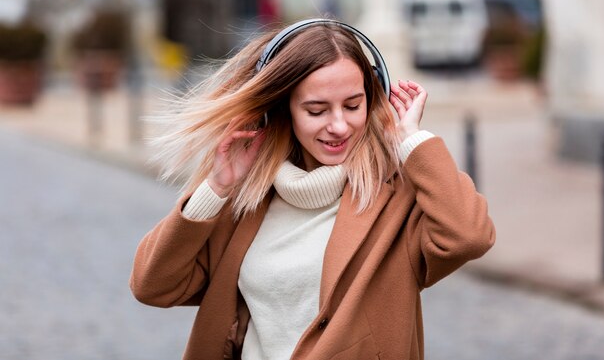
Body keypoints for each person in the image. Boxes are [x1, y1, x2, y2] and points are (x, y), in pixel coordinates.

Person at [130, 19, 495, 360]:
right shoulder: (247, 201)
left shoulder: (399, 198)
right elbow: (153, 285)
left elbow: (468, 237)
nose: (339, 126)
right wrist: (218, 186)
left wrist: (412, 141)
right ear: (283, 110)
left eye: (353, 105)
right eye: (317, 110)